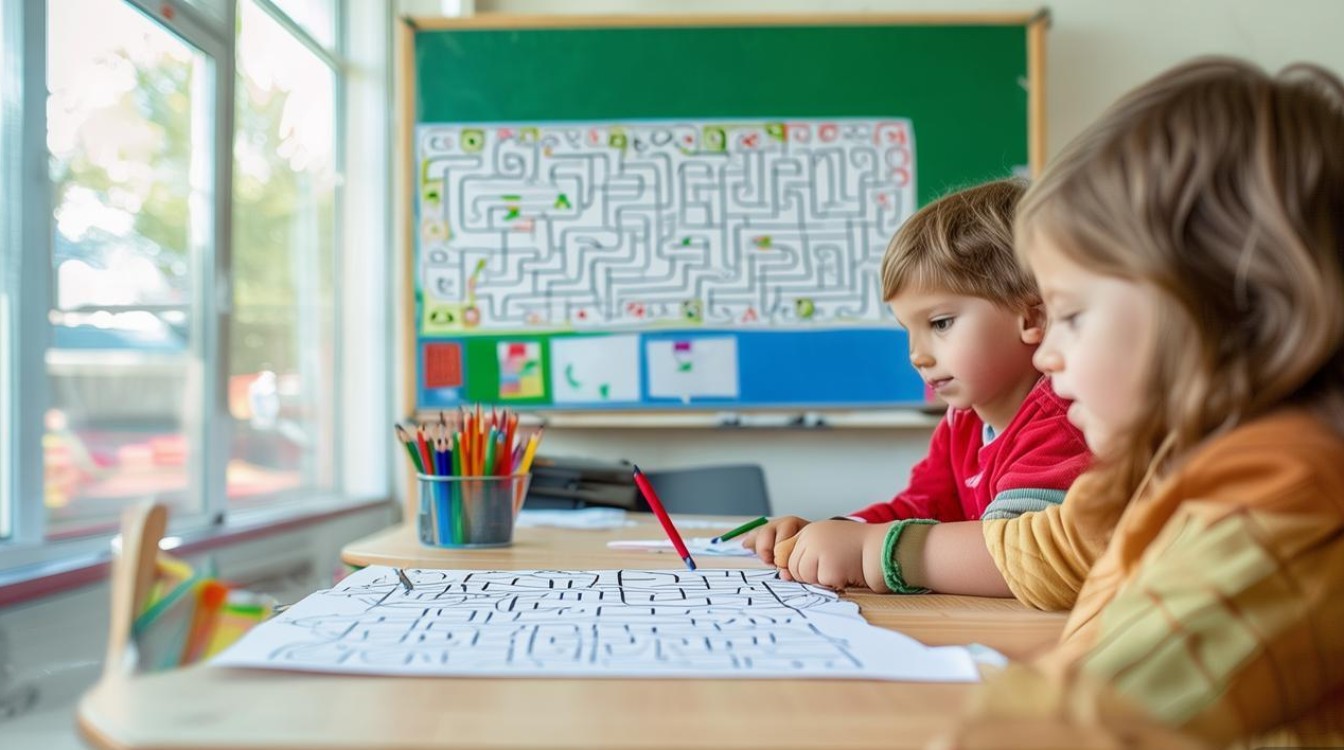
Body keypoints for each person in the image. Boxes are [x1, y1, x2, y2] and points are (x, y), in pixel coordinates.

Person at [925, 58, 1344, 747]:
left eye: (1071, 315)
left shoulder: (1282, 497)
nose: (1045, 354)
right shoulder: (1171, 458)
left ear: (1218, 310)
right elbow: (1064, 549)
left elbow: (1085, 725)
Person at [745, 179, 1091, 593]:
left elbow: (1024, 558)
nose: (916, 355)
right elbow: (923, 507)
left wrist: (868, 550)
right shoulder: (963, 420)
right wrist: (837, 532)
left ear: (1032, 319)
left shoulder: (1065, 419)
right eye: (908, 330)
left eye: (940, 323)